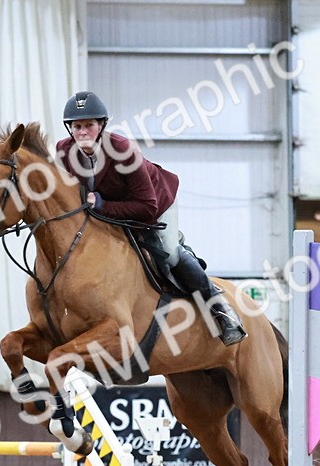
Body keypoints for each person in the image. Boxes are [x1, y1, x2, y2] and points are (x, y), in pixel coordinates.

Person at [54, 91, 246, 346]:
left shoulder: (122, 150)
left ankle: (221, 309)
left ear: (101, 126)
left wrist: (101, 205)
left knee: (170, 252)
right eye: (77, 126)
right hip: (106, 210)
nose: (83, 132)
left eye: (89, 125)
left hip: (154, 204)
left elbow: (146, 206)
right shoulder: (63, 150)